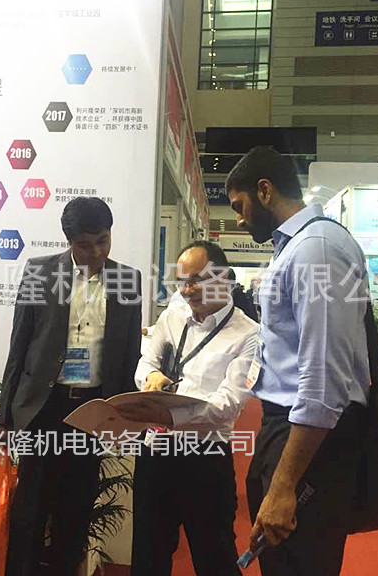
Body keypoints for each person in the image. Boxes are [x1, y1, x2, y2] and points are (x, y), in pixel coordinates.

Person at [225, 146, 370, 576]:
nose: (238, 219)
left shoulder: (315, 249)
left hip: (308, 438)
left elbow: (323, 377)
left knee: (299, 561)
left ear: (264, 191)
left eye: (239, 206)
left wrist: (285, 483)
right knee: (281, 559)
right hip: (288, 428)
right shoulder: (294, 247)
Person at [0, 197, 143, 576]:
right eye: (85, 244)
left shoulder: (127, 280)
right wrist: (6, 414)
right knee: (29, 511)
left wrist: (124, 416)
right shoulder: (40, 273)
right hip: (44, 407)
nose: (96, 252)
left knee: (75, 511)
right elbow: (19, 344)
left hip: (91, 411)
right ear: (69, 240)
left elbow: (130, 353)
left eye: (103, 241)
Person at [118, 240, 258, 576]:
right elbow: (145, 363)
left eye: (196, 280)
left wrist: (168, 414)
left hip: (205, 459)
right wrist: (151, 377)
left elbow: (226, 405)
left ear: (223, 277)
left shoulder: (249, 335)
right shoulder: (172, 317)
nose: (187, 290)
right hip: (156, 451)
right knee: (148, 556)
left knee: (215, 558)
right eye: (182, 282)